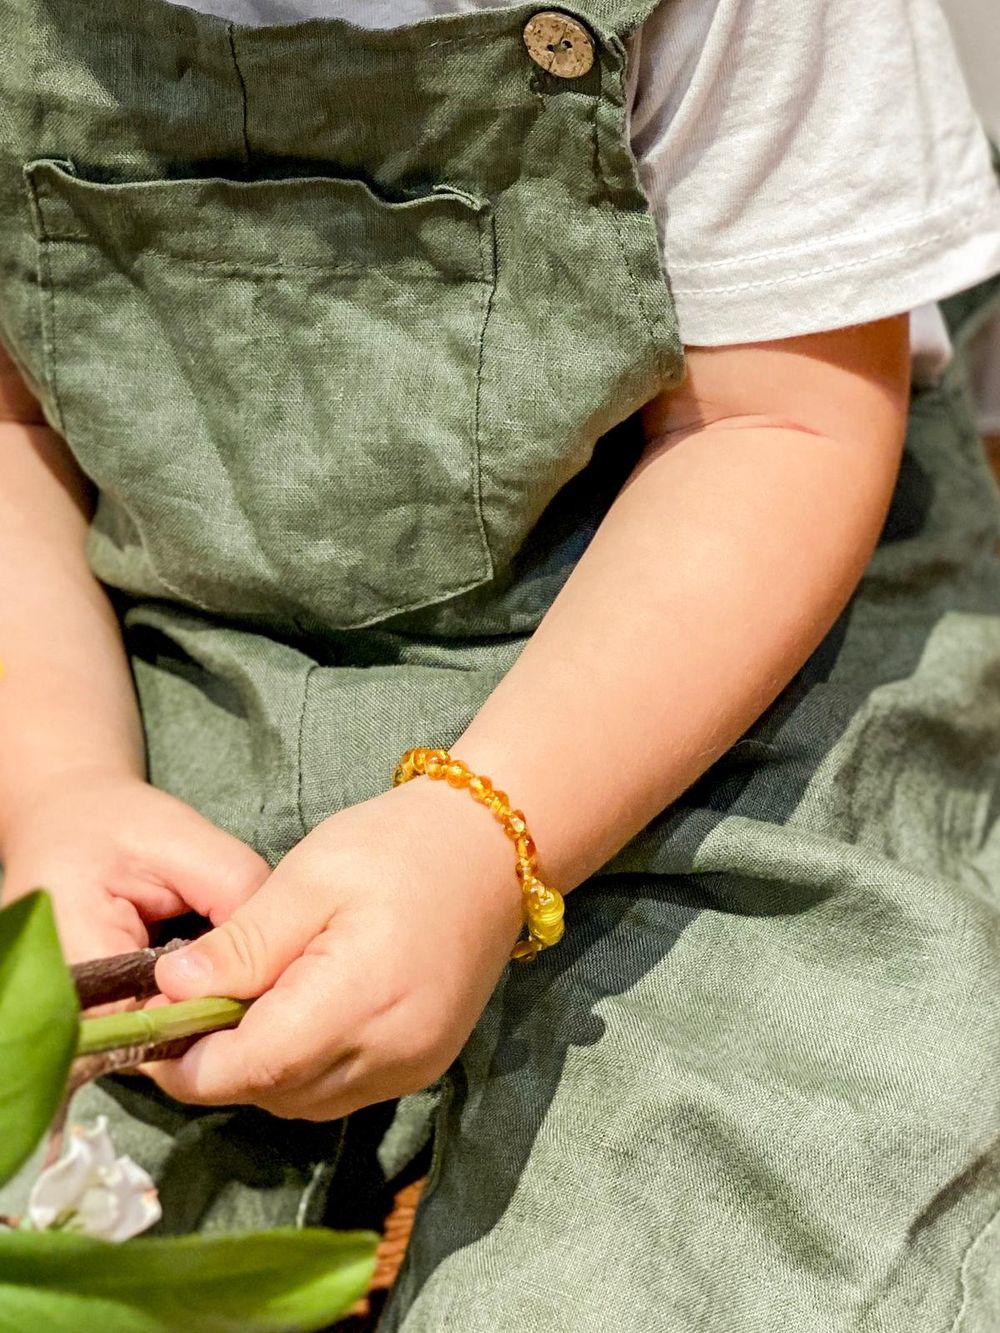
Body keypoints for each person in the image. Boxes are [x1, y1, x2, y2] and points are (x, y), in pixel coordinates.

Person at [1, 1, 999, 1329]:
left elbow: (784, 420)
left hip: (700, 651)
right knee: (110, 1240)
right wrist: (55, 777)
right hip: (155, 636)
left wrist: (484, 832)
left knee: (732, 1212)